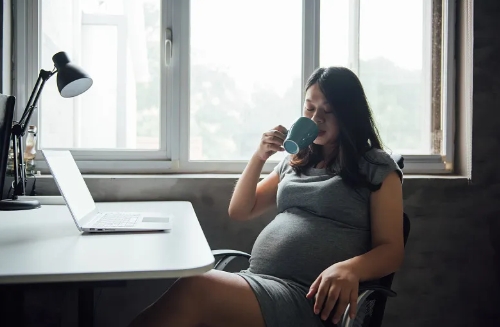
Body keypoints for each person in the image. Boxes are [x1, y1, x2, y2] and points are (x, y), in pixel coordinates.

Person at [128, 66, 404, 327]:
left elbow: (391, 250)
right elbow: (241, 210)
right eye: (309, 107)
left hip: (309, 299)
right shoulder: (297, 161)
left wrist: (350, 269)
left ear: (349, 115)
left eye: (328, 111)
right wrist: (259, 157)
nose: (316, 118)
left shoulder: (376, 167)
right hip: (261, 283)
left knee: (195, 288)